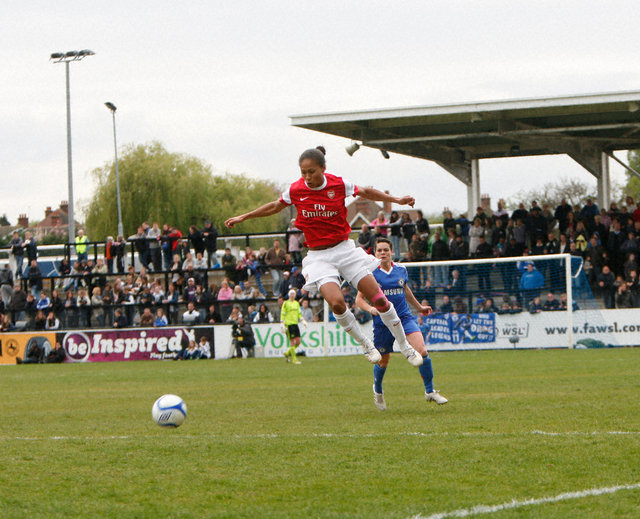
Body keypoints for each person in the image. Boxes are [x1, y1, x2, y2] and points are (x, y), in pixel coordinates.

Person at [225, 145, 423, 366]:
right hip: (319, 257)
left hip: (345, 251)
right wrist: (244, 217)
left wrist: (396, 199)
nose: (307, 177)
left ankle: (405, 346)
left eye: (312, 171)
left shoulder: (338, 184)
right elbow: (274, 206)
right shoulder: (297, 190)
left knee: (379, 299)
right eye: (303, 172)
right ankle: (366, 344)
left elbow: (366, 192)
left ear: (323, 168)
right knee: (337, 303)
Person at [355, 238, 448, 411]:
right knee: (383, 362)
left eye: (386, 250)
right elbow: (358, 300)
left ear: (392, 252)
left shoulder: (401, 269)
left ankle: (430, 391)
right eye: (379, 250)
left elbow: (405, 290)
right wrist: (371, 309)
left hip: (404, 318)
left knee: (422, 351)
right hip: (383, 322)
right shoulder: (370, 273)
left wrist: (419, 307)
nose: (383, 253)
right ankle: (378, 390)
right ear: (374, 254)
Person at [280, 289, 306, 364]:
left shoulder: (296, 303)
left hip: (295, 324)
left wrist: (302, 320)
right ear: (289, 295)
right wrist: (282, 323)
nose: (292, 295)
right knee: (292, 341)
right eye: (291, 294)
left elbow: (299, 314)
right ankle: (294, 359)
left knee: (298, 341)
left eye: (293, 294)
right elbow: (283, 313)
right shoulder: (286, 303)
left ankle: (287, 353)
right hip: (288, 324)